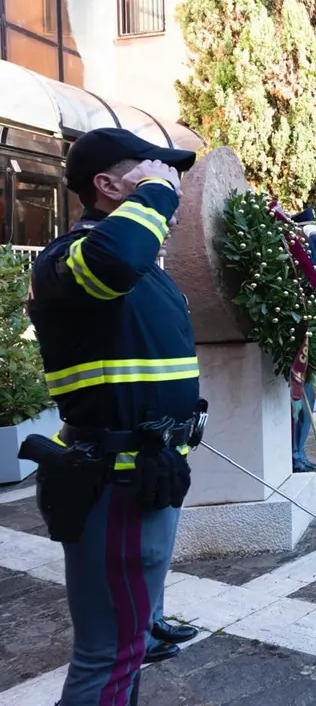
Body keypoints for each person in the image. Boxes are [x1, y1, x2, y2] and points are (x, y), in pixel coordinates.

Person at [26, 127, 204, 705]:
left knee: (129, 647)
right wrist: (156, 195)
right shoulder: (69, 259)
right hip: (110, 479)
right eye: (150, 172)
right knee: (108, 657)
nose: (170, 184)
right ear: (106, 185)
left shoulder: (141, 267)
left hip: (148, 474)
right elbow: (113, 260)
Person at [289, 207, 316, 474]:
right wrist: (310, 236)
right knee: (298, 403)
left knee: (307, 403)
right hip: (298, 342)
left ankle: (300, 451)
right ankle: (294, 454)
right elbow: (308, 257)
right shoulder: (296, 255)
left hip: (312, 338)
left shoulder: (309, 257)